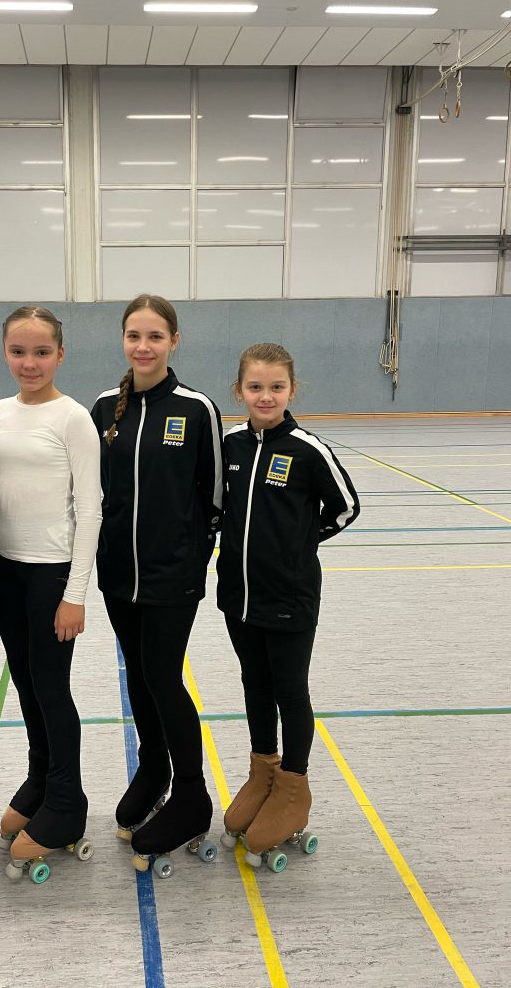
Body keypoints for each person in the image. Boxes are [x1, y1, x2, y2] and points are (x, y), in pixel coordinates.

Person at [91, 293, 224, 870]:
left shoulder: (196, 409)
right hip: (118, 575)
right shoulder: (103, 408)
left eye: (154, 336)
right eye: (133, 336)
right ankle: (154, 769)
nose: (143, 346)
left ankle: (191, 796)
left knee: (164, 678)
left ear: (174, 341)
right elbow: (93, 489)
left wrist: (190, 560)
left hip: (172, 578)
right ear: (123, 340)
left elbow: (214, 498)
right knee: (139, 679)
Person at [217, 343, 360, 864]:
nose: (266, 396)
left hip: (289, 597)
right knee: (254, 683)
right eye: (255, 386)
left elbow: (346, 507)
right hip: (238, 595)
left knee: (289, 690)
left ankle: (293, 786)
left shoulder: (307, 449)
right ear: (239, 390)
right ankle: (264, 772)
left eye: (276, 387)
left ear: (292, 391)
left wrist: (299, 544)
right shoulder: (231, 445)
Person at [0, 306, 101, 880]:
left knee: (52, 688)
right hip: (8, 571)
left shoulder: (73, 419)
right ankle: (40, 779)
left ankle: (67, 803)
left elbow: (91, 510)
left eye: (42, 352)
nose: (30, 363)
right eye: (18, 351)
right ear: (5, 352)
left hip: (53, 574)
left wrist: (75, 594)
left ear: (60, 355)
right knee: (26, 684)